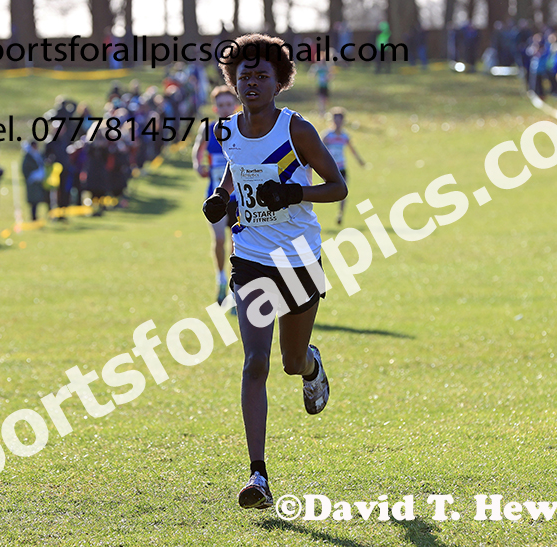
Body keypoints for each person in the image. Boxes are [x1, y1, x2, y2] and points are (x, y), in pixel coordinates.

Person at [202, 33, 348, 510]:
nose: (252, 83)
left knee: (290, 361)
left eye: (262, 75)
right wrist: (222, 200)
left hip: (299, 259)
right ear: (233, 80)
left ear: (279, 81)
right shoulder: (224, 131)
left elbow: (337, 187)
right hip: (250, 261)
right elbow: (234, 171)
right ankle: (258, 477)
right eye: (244, 75)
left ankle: (312, 366)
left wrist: (293, 194)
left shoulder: (297, 130)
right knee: (255, 363)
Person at [193, 85, 240, 306]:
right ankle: (220, 278)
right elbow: (197, 150)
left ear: (236, 105)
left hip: (239, 198)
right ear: (215, 107)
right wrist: (197, 165)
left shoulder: (243, 128)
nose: (225, 109)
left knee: (236, 244)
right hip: (216, 196)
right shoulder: (208, 129)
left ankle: (234, 287)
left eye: (229, 104)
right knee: (219, 239)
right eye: (220, 105)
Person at [322, 107, 364, 225]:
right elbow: (319, 149)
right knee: (330, 190)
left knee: (344, 191)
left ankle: (340, 214)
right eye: (336, 120)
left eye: (340, 120)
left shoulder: (345, 136)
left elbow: (352, 149)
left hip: (341, 167)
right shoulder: (327, 136)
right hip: (330, 168)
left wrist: (360, 161)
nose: (338, 123)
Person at [22, 140, 47, 221]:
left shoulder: (38, 155)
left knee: (39, 200)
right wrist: (33, 175)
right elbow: (25, 169)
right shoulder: (28, 156)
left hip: (39, 182)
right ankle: (33, 217)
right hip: (32, 183)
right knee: (33, 201)